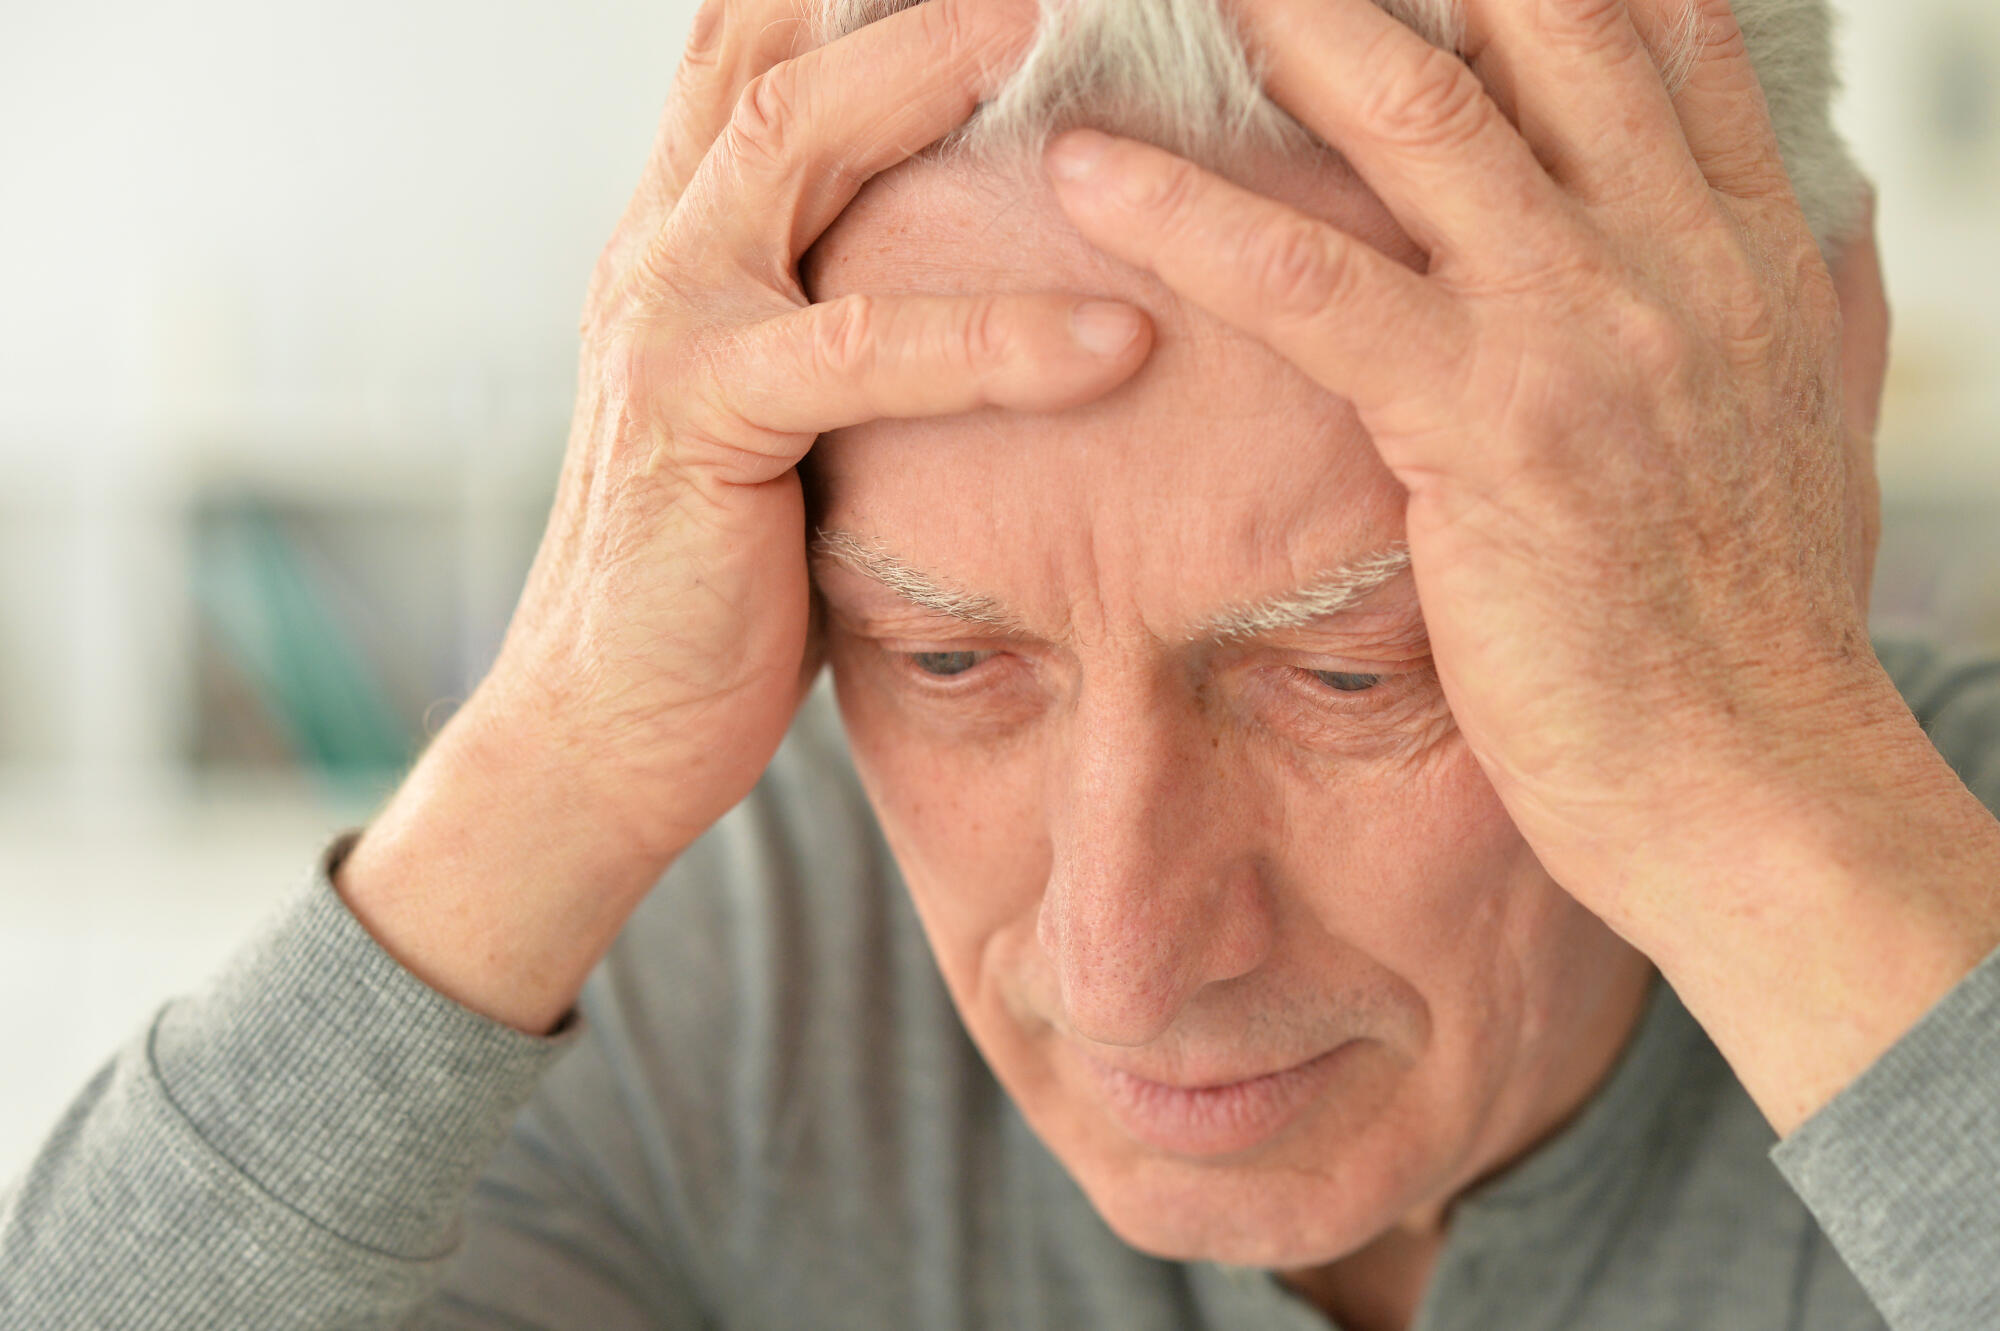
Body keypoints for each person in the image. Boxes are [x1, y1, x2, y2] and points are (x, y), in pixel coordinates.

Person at [4, 0, 1998, 1327]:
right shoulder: (728, 989)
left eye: (1355, 672)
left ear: (1794, 396)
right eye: (946, 660)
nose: (1123, 958)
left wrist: (1783, 836)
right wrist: (559, 756)